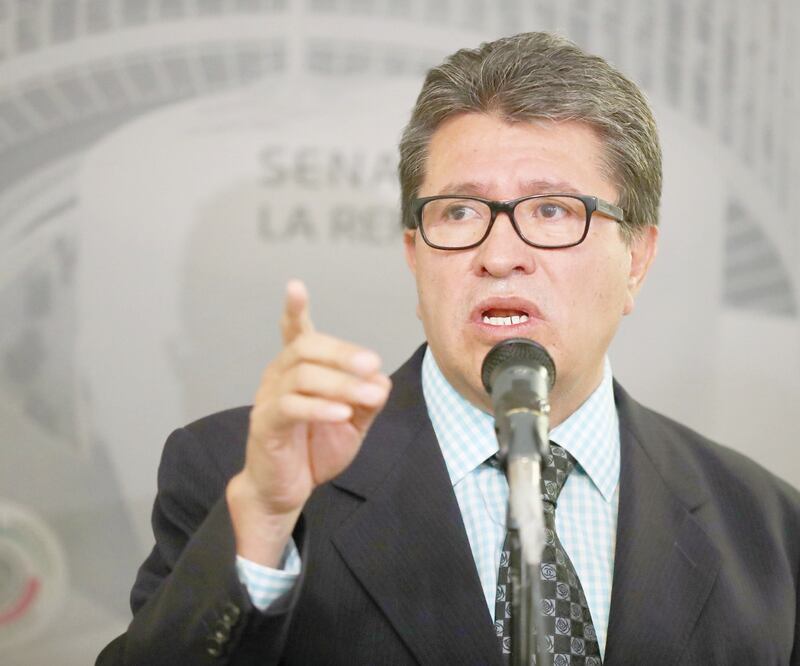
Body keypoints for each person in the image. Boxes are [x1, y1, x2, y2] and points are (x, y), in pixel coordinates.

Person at [97, 32, 800, 665]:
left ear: (637, 258)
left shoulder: (765, 527)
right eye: (459, 212)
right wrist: (262, 518)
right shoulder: (239, 479)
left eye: (552, 210)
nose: (499, 254)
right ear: (414, 253)